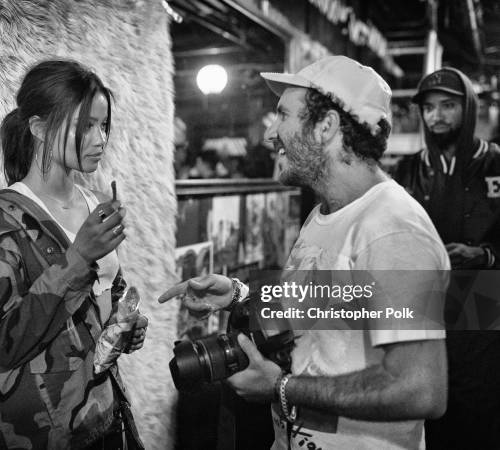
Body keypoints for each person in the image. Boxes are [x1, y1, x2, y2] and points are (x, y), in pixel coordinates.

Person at [159, 55, 449, 449]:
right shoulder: (325, 214)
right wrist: (242, 296)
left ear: (325, 126)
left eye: (283, 116)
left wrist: (281, 387)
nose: (269, 135)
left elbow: (419, 389)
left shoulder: (393, 230)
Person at [0, 60, 147, 449]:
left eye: (103, 125)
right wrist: (78, 258)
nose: (99, 139)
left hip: (106, 420)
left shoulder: (94, 204)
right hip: (38, 436)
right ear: (39, 128)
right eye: (85, 126)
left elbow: (102, 298)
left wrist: (124, 324)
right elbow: (1, 347)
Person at [394, 68, 500, 449]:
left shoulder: (495, 163)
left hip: (483, 299)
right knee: (426, 403)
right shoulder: (407, 170)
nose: (437, 116)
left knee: (477, 405)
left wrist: (486, 255)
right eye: (429, 108)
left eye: (448, 106)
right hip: (423, 300)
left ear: (468, 109)